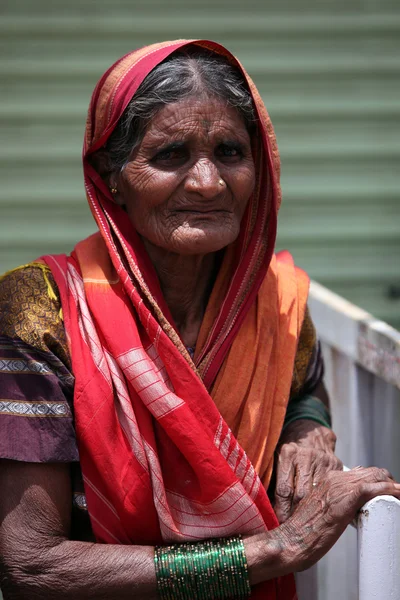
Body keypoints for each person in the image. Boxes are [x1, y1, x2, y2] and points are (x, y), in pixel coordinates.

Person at [0, 39, 398, 600]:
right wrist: (279, 550)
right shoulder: (39, 313)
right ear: (111, 176)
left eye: (231, 153)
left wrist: (308, 431)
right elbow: (31, 565)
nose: (208, 183)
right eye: (170, 155)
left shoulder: (275, 304)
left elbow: (304, 388)